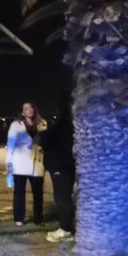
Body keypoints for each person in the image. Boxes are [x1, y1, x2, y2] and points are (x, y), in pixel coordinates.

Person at [40, 95, 76, 242]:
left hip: (61, 166)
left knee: (62, 198)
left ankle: (66, 229)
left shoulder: (63, 125)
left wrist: (42, 137)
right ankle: (67, 227)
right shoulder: (71, 125)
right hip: (66, 165)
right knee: (64, 197)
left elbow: (47, 139)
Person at [6, 102, 47, 226]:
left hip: (37, 164)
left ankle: (38, 219)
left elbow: (47, 142)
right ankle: (19, 218)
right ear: (22, 112)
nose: (29, 110)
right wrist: (9, 164)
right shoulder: (15, 125)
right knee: (19, 193)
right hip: (20, 164)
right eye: (26, 108)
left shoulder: (42, 124)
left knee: (38, 193)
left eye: (31, 107)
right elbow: (11, 144)